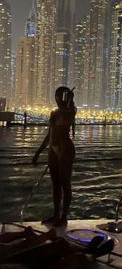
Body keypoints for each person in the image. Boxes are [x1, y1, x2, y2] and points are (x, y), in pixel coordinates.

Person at [32, 87, 76, 226]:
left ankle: (64, 217)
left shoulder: (70, 111)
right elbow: (49, 135)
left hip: (65, 149)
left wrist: (69, 99)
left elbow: (69, 113)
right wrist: (38, 153)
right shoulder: (54, 113)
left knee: (65, 183)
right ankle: (56, 214)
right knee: (56, 184)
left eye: (60, 96)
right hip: (53, 149)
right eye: (57, 96)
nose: (58, 99)